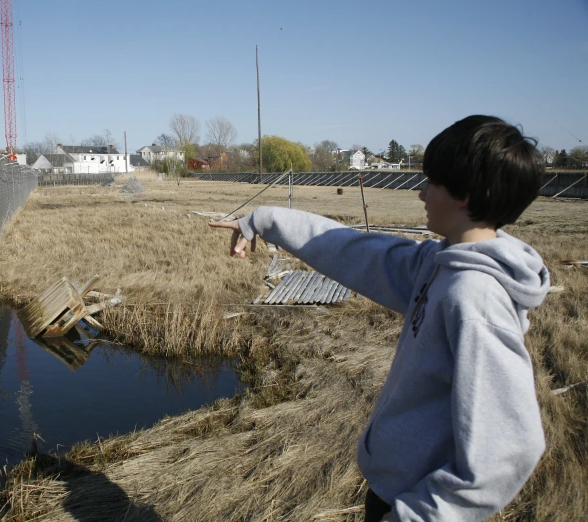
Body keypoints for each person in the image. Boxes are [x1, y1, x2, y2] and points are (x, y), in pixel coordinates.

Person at [209, 115, 549, 522]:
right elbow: (351, 249)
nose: (421, 194)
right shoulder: (440, 263)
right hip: (395, 491)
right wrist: (261, 220)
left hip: (413, 506)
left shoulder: (475, 297)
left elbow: (510, 447)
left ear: (464, 195)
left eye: (432, 183)